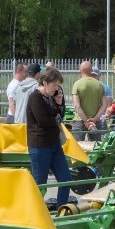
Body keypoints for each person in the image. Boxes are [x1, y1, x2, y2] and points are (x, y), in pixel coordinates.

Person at [25, 66, 72, 208]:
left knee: (66, 179)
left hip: (54, 144)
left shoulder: (51, 97)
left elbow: (60, 116)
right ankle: (34, 212)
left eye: (58, 85)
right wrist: (56, 118)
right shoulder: (35, 97)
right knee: (40, 183)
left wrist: (59, 103)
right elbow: (44, 121)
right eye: (54, 85)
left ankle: (61, 209)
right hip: (40, 145)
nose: (56, 88)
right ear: (44, 83)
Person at [71, 61, 106, 137]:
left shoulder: (77, 84)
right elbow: (104, 105)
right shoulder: (99, 84)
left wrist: (86, 121)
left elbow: (77, 106)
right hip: (95, 121)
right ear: (91, 70)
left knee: (77, 146)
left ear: (80, 70)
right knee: (95, 146)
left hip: (79, 120)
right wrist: (95, 119)